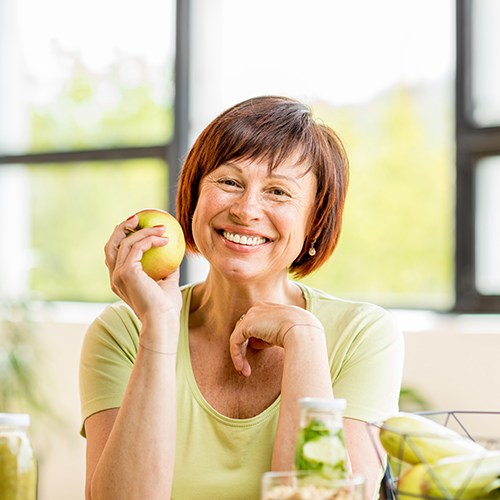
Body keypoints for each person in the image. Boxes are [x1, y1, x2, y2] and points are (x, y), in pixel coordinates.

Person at [79, 95, 404, 500]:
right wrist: (159, 328)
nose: (247, 209)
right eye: (229, 182)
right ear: (194, 196)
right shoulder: (123, 330)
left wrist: (303, 338)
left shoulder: (362, 334)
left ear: (315, 222)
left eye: (278, 192)